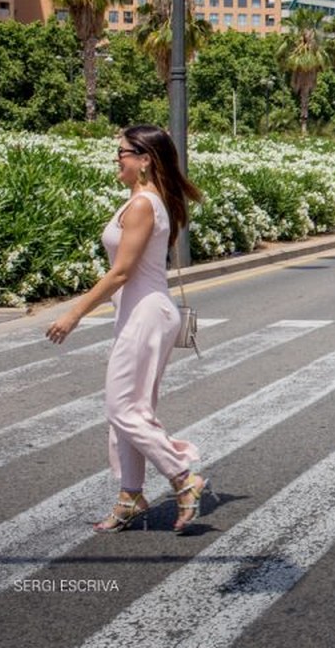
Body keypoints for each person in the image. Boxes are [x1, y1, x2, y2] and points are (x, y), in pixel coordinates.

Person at [46, 125, 210, 534]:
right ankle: (130, 495)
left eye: (121, 153)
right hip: (142, 314)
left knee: (123, 409)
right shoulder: (143, 201)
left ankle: (182, 477)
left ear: (144, 159)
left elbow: (121, 273)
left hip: (145, 315)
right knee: (131, 410)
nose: (115, 159)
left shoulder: (143, 205)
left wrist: (74, 314)